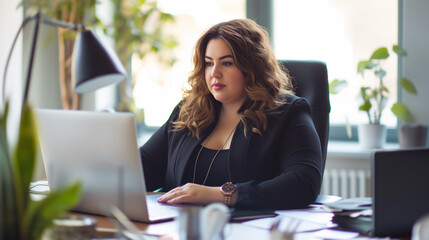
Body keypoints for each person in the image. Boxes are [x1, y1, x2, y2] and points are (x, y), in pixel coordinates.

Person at [139, 18, 322, 210]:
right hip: (181, 227)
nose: (214, 73)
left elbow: (304, 183)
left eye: (226, 63)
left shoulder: (287, 113)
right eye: (209, 63)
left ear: (252, 67)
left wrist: (220, 195)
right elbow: (142, 169)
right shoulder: (188, 111)